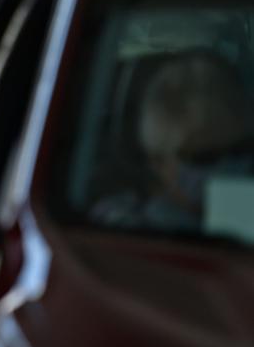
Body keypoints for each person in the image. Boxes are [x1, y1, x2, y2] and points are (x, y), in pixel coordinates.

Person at [95, 51, 254, 230]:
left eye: (240, 150)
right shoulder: (121, 225)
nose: (226, 165)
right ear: (158, 162)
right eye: (204, 157)